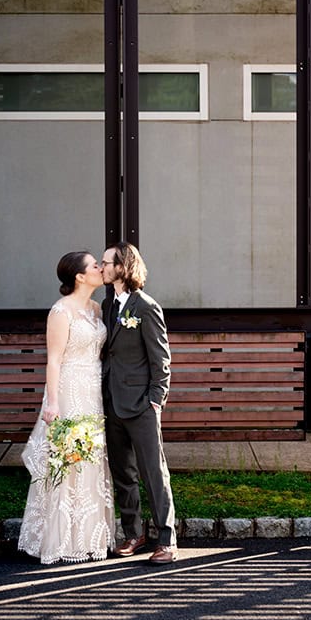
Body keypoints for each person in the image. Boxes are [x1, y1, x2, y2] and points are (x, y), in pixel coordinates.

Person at [18, 251, 115, 564]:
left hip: (93, 389)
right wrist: (54, 402)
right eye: (95, 266)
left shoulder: (97, 309)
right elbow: (54, 360)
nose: (101, 268)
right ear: (79, 276)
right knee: (68, 455)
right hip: (70, 389)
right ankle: (60, 538)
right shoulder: (61, 311)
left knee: (92, 455)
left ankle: (90, 536)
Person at [101, 241, 177, 564]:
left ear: (123, 267)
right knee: (123, 474)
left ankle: (167, 539)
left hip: (142, 406)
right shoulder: (107, 307)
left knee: (153, 473)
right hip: (112, 404)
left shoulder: (146, 307)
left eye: (107, 263)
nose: (102, 267)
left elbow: (162, 361)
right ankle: (133, 534)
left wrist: (155, 402)